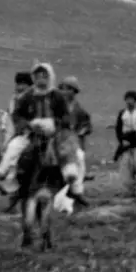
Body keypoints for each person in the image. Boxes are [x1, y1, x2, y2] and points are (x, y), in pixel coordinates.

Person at [0, 63, 69, 198]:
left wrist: (54, 124)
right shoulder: (28, 96)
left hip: (54, 134)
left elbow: (65, 116)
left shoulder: (57, 96)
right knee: (14, 146)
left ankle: (74, 186)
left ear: (50, 77)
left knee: (72, 155)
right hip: (31, 133)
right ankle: (6, 175)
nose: (41, 79)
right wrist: (28, 125)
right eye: (38, 76)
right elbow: (17, 114)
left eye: (44, 76)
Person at [55, 75, 90, 207]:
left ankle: (77, 191)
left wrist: (82, 131)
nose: (66, 92)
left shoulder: (79, 110)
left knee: (80, 157)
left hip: (71, 141)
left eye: (70, 89)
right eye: (63, 88)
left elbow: (87, 124)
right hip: (55, 138)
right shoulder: (54, 105)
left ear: (74, 92)